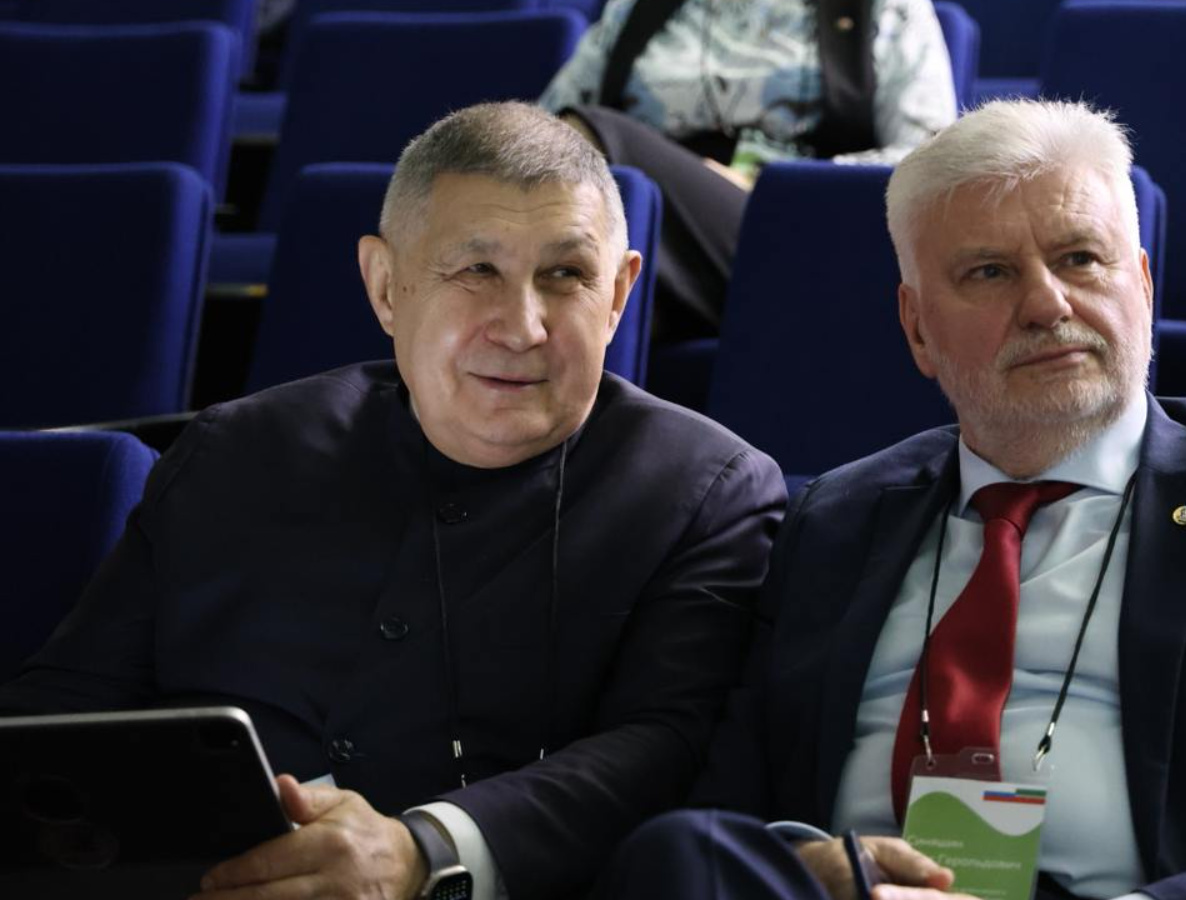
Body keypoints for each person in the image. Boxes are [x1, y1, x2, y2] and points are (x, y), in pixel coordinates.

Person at [595, 99, 1186, 899]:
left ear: (1143, 286)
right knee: (667, 856)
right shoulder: (836, 519)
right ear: (917, 329)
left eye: (1080, 258)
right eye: (989, 272)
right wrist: (820, 868)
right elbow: (723, 819)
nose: (1046, 305)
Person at [0, 102, 786, 900]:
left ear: (617, 295)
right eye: (476, 270)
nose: (523, 327)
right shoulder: (234, 449)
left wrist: (424, 851)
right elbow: (61, 713)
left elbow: (668, 748)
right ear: (385, 286)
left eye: (566, 275)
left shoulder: (704, 491)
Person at [538, 0, 958, 340]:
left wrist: (774, 185)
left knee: (594, 137)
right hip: (648, 226)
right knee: (594, 294)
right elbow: (538, 136)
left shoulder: (887, 8)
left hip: (788, 226)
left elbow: (929, 159)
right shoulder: (636, 8)